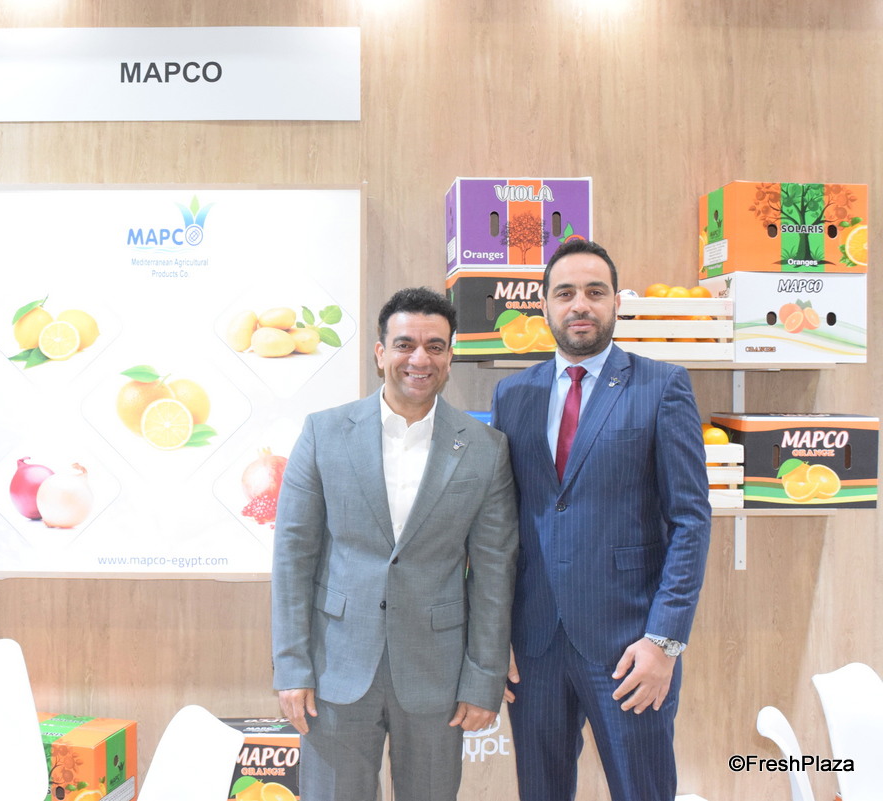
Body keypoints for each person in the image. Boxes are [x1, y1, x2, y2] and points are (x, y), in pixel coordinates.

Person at [271, 286, 518, 801]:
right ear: (380, 352)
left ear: (450, 355)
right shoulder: (323, 433)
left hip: (437, 674)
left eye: (435, 346)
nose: (419, 359)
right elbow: (293, 557)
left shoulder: (485, 449)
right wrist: (291, 666)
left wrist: (483, 678)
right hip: (335, 670)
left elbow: (494, 573)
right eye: (405, 344)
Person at [491, 239, 711, 801]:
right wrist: (494, 634)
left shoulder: (662, 385)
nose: (580, 305)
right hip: (533, 647)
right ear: (544, 305)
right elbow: (498, 525)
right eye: (565, 293)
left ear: (616, 302)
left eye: (595, 292)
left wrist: (664, 641)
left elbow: (690, 520)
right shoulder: (512, 394)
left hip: (630, 648)